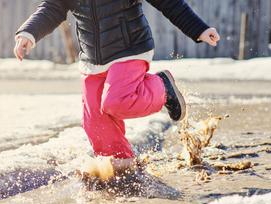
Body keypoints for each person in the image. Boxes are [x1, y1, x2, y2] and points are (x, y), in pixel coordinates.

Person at [14, 0, 220, 179]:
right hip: (93, 59)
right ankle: (122, 165)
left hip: (129, 49)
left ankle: (162, 87)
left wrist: (198, 29)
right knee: (94, 120)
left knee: (117, 101)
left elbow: (168, 3)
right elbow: (52, 7)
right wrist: (29, 32)